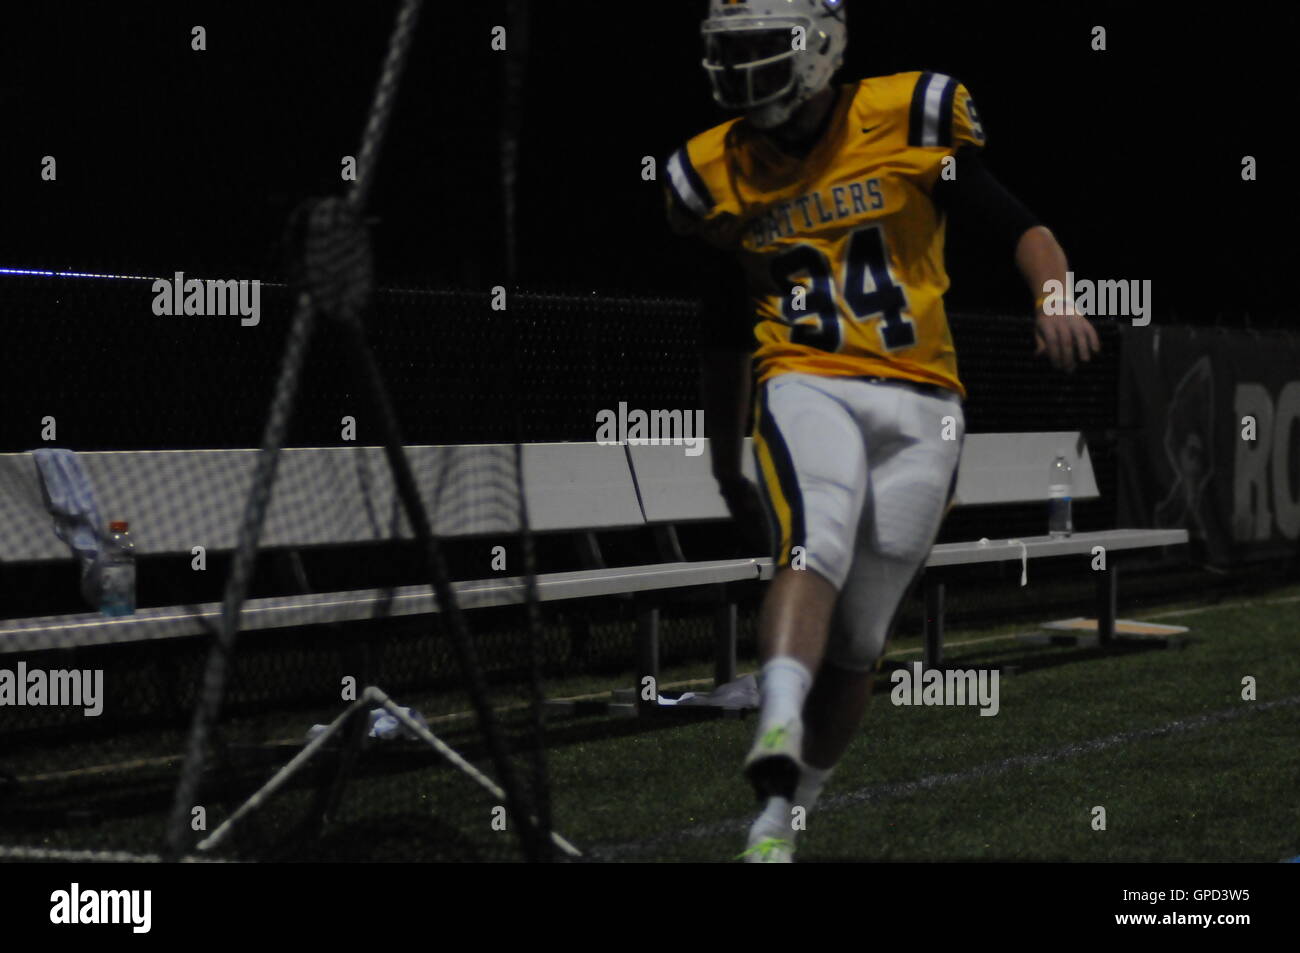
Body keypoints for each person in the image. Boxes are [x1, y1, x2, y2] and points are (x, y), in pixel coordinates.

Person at [663, 0, 1100, 862]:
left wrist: (1055, 294)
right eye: (731, 50)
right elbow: (723, 325)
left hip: (925, 403)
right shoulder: (718, 170)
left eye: (759, 46)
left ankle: (779, 822)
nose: (742, 69)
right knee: (814, 544)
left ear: (819, 43)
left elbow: (1023, 228)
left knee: (860, 642)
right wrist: (724, 453)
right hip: (806, 377)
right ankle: (778, 720)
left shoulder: (903, 115)